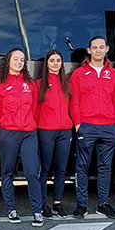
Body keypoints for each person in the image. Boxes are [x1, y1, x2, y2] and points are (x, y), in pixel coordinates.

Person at [69, 35, 115, 219]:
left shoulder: (114, 74)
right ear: (89, 50)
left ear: (107, 49)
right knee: (82, 166)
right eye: (95, 47)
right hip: (87, 125)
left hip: (109, 127)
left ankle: (103, 203)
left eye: (102, 47)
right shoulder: (79, 74)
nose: (98, 50)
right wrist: (77, 124)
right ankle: (81, 205)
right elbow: (74, 100)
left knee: (105, 167)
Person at [0, 48, 45, 227]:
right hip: (9, 133)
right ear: (8, 62)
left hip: (29, 133)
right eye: (16, 59)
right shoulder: (0, 87)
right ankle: (11, 209)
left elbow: (34, 110)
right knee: (8, 172)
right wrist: (8, 127)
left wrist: (28, 125)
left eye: (22, 60)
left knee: (32, 172)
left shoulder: (30, 85)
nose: (19, 62)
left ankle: (37, 211)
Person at [36, 49, 73, 219]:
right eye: (52, 60)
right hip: (46, 130)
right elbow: (35, 110)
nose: (56, 63)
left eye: (58, 60)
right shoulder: (40, 84)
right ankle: (43, 204)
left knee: (61, 169)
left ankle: (57, 203)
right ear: (47, 63)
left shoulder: (67, 84)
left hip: (64, 131)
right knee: (44, 169)